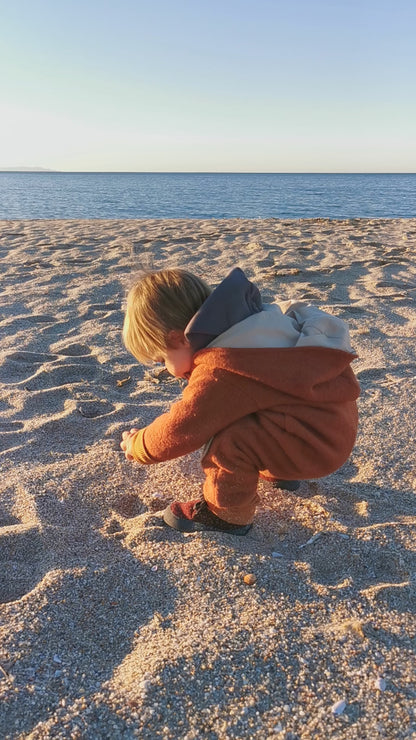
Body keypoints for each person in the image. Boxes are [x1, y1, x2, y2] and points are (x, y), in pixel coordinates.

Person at [120, 267, 360, 536]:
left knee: (226, 438)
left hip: (313, 446)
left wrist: (138, 444)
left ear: (177, 338)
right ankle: (280, 471)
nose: (166, 369)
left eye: (161, 359)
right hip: (327, 430)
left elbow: (183, 427)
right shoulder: (258, 326)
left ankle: (227, 513)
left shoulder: (224, 365)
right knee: (248, 408)